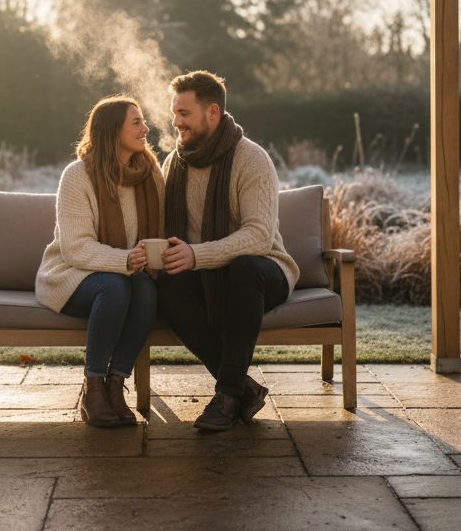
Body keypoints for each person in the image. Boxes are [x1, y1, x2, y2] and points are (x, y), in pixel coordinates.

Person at [155, 71, 299, 432]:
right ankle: (242, 390)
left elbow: (259, 238)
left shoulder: (251, 159)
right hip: (208, 274)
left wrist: (196, 255)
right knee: (166, 286)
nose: (176, 122)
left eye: (185, 113)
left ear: (213, 113)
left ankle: (226, 395)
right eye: (174, 113)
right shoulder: (174, 163)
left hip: (265, 271)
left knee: (245, 268)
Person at [35, 95, 163, 427]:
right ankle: (93, 390)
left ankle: (116, 386)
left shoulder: (150, 173)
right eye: (136, 122)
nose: (145, 128)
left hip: (129, 273)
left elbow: (162, 228)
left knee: (145, 288)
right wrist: (127, 260)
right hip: (71, 274)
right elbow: (75, 249)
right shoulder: (77, 176)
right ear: (111, 131)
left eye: (143, 121)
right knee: (116, 286)